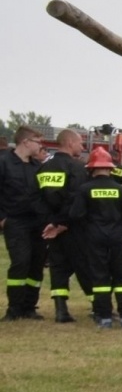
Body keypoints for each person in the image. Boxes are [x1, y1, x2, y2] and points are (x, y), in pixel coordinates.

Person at [56, 147, 122, 330]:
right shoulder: (121, 190)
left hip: (94, 239)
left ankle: (104, 317)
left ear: (91, 168)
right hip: (117, 238)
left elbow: (75, 215)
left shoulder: (84, 189)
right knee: (121, 278)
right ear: (110, 168)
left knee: (100, 277)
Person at [36, 128, 90, 323]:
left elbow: (39, 198)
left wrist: (51, 222)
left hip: (50, 228)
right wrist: (63, 223)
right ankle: (99, 307)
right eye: (80, 143)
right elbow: (78, 200)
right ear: (69, 143)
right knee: (85, 265)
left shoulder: (44, 167)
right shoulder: (76, 168)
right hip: (72, 227)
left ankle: (61, 310)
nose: (82, 147)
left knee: (57, 267)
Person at [1, 126, 48, 320]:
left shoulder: (37, 167)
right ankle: (14, 308)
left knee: (36, 264)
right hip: (15, 221)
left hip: (37, 222)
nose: (41, 146)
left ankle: (29, 306)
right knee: (20, 263)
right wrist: (2, 218)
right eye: (38, 142)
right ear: (26, 142)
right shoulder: (4, 163)